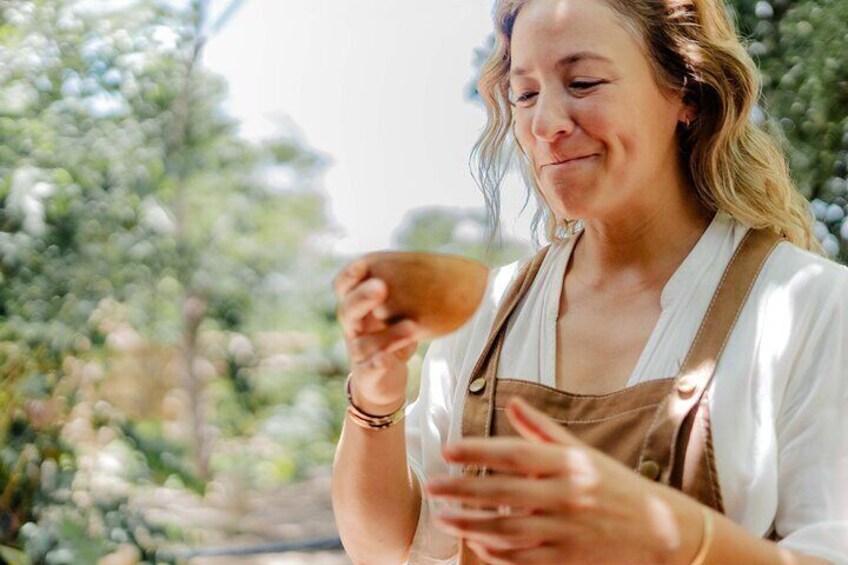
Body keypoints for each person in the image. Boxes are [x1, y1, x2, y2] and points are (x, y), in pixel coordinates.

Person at [331, 0, 848, 563]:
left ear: (687, 94)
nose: (545, 124)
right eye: (525, 94)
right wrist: (375, 398)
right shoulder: (488, 314)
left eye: (582, 83)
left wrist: (677, 536)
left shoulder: (812, 307)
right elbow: (391, 548)